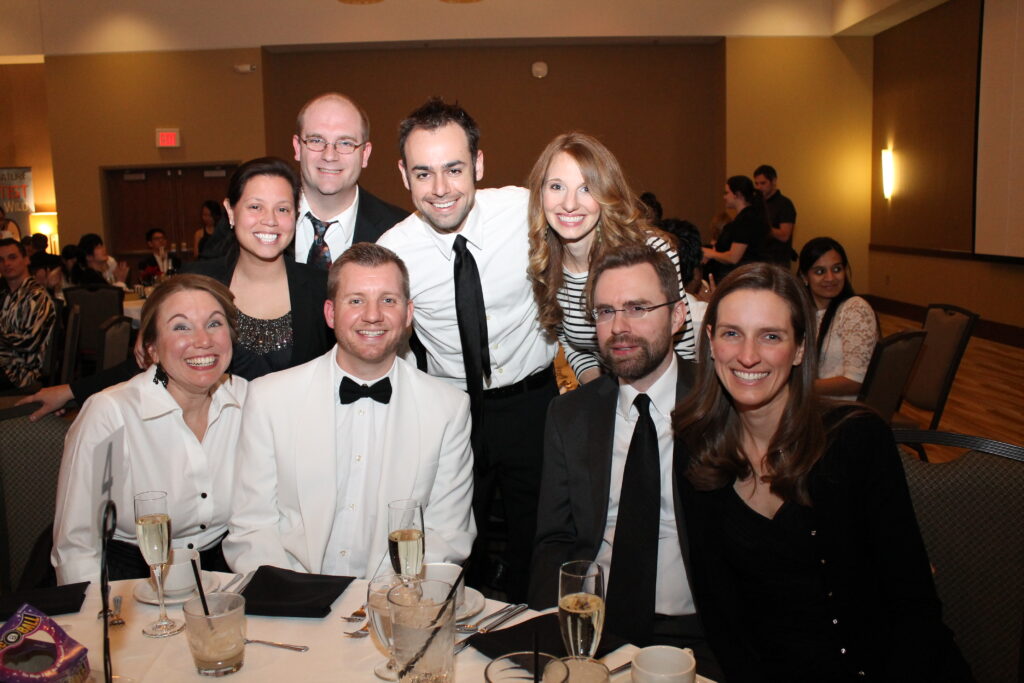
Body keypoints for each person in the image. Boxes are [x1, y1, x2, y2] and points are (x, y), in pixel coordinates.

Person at [673, 263, 970, 682]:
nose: (748, 355)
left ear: (798, 349)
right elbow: (721, 611)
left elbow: (913, 602)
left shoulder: (856, 441)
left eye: (771, 336)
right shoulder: (695, 447)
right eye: (732, 333)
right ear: (710, 341)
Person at [378, 97, 557, 601]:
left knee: (538, 539)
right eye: (423, 173)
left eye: (454, 169)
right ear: (403, 174)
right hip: (453, 412)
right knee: (455, 543)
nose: (440, 190)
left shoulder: (526, 212)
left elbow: (594, 249)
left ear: (478, 164)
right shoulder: (394, 252)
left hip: (533, 404)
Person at [224, 243, 475, 577]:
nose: (372, 315)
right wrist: (297, 600)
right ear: (330, 313)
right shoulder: (270, 398)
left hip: (397, 601)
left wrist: (392, 600)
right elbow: (253, 527)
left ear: (408, 313)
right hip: (292, 599)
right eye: (356, 300)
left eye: (388, 300)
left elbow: (447, 535)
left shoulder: (448, 409)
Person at [530, 245, 723, 679]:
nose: (619, 327)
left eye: (638, 308)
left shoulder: (719, 402)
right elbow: (554, 543)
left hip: (700, 633)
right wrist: (550, 632)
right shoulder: (570, 415)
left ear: (676, 318)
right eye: (604, 312)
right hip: (595, 628)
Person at [17, 157, 332, 418]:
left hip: (296, 449)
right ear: (231, 211)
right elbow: (153, 364)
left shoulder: (319, 288)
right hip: (213, 448)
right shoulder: (199, 283)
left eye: (282, 208)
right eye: (255, 207)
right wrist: (71, 391)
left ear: (295, 215)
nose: (270, 221)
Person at [52, 274, 247, 584]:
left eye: (214, 323)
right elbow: (77, 545)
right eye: (181, 326)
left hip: (226, 575)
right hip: (130, 580)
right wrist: (98, 619)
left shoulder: (247, 401)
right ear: (152, 348)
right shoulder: (111, 414)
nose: (203, 340)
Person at [526, 132, 701, 385]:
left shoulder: (650, 251)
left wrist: (682, 404)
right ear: (540, 193)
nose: (569, 203)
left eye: (586, 188)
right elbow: (573, 344)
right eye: (556, 187)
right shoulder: (542, 261)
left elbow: (680, 338)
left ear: (605, 193)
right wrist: (603, 397)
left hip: (663, 387)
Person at [292, 93, 408, 269]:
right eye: (316, 140)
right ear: (298, 148)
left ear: (365, 154)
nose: (329, 155)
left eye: (345, 143)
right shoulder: (260, 225)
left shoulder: (402, 232)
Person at [798, 237, 878, 400]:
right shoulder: (800, 312)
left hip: (842, 412)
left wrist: (797, 389)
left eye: (836, 269)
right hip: (811, 406)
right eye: (820, 271)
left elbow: (856, 381)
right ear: (804, 277)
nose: (830, 278)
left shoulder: (854, 308)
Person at [0, 238, 55, 390]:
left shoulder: (36, 296)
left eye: (12, 257)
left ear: (26, 259)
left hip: (23, 372)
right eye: (1, 260)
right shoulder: (5, 296)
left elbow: (29, 343)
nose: (6, 264)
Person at [702, 175, 769, 282]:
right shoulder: (746, 218)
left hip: (744, 278)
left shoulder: (746, 220)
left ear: (737, 195)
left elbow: (734, 257)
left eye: (727, 193)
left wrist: (710, 253)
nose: (724, 197)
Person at [753, 164, 797, 267]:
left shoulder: (784, 204)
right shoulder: (756, 204)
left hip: (777, 261)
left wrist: (761, 227)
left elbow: (784, 235)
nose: (759, 187)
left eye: (763, 183)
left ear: (773, 181)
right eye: (756, 184)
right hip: (758, 259)